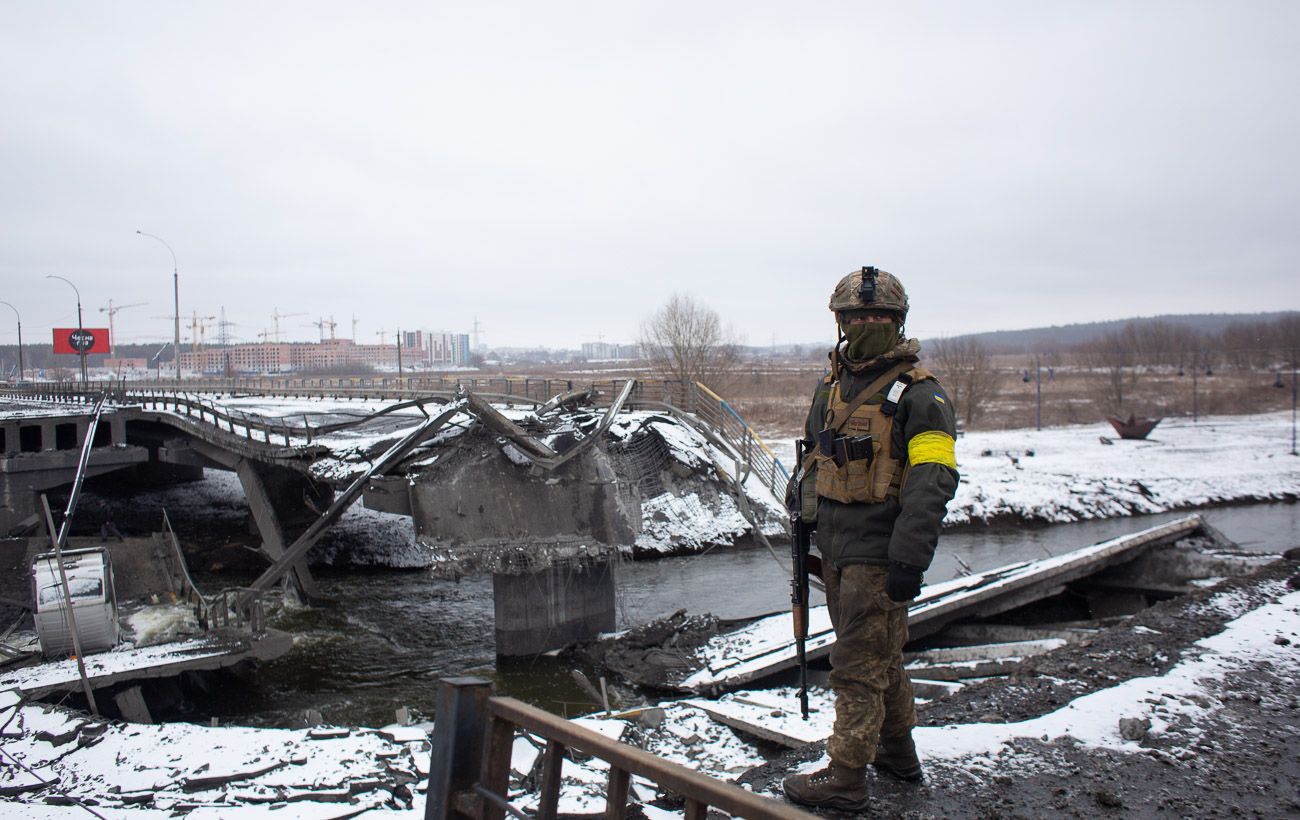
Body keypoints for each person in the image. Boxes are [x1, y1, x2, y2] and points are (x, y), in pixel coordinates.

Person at [783, 266, 959, 812]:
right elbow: (814, 457)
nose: (866, 324)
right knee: (881, 659)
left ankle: (846, 778)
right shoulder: (832, 387)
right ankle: (898, 754)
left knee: (857, 668)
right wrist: (804, 520)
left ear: (898, 321)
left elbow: (932, 482)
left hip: (879, 558)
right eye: (857, 317)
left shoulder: (921, 396)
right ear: (841, 322)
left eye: (878, 315)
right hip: (836, 553)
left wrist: (909, 560)